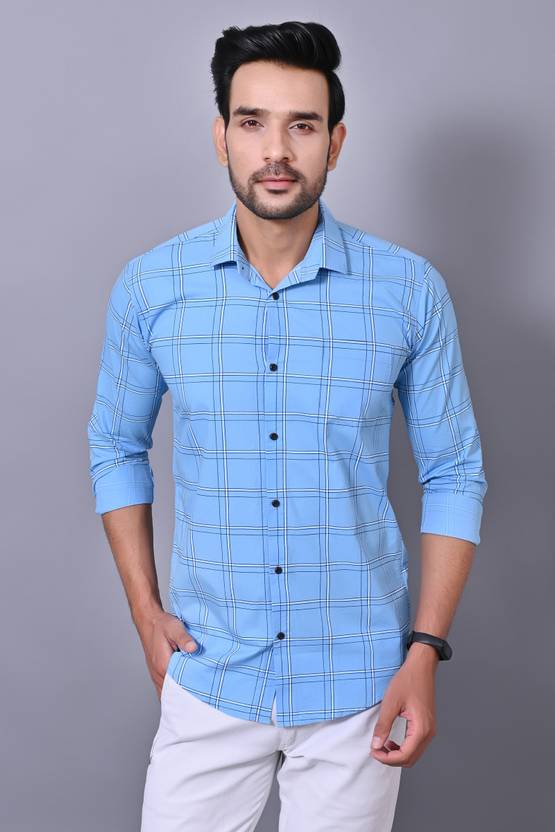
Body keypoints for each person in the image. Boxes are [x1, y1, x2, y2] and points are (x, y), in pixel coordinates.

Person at [87, 20, 488, 832]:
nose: (276, 150)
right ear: (220, 138)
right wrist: (144, 611)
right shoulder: (152, 287)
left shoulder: (408, 290)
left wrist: (425, 651)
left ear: (334, 143)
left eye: (302, 125)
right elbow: (116, 447)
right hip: (210, 677)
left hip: (359, 687)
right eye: (252, 122)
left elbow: (454, 473)